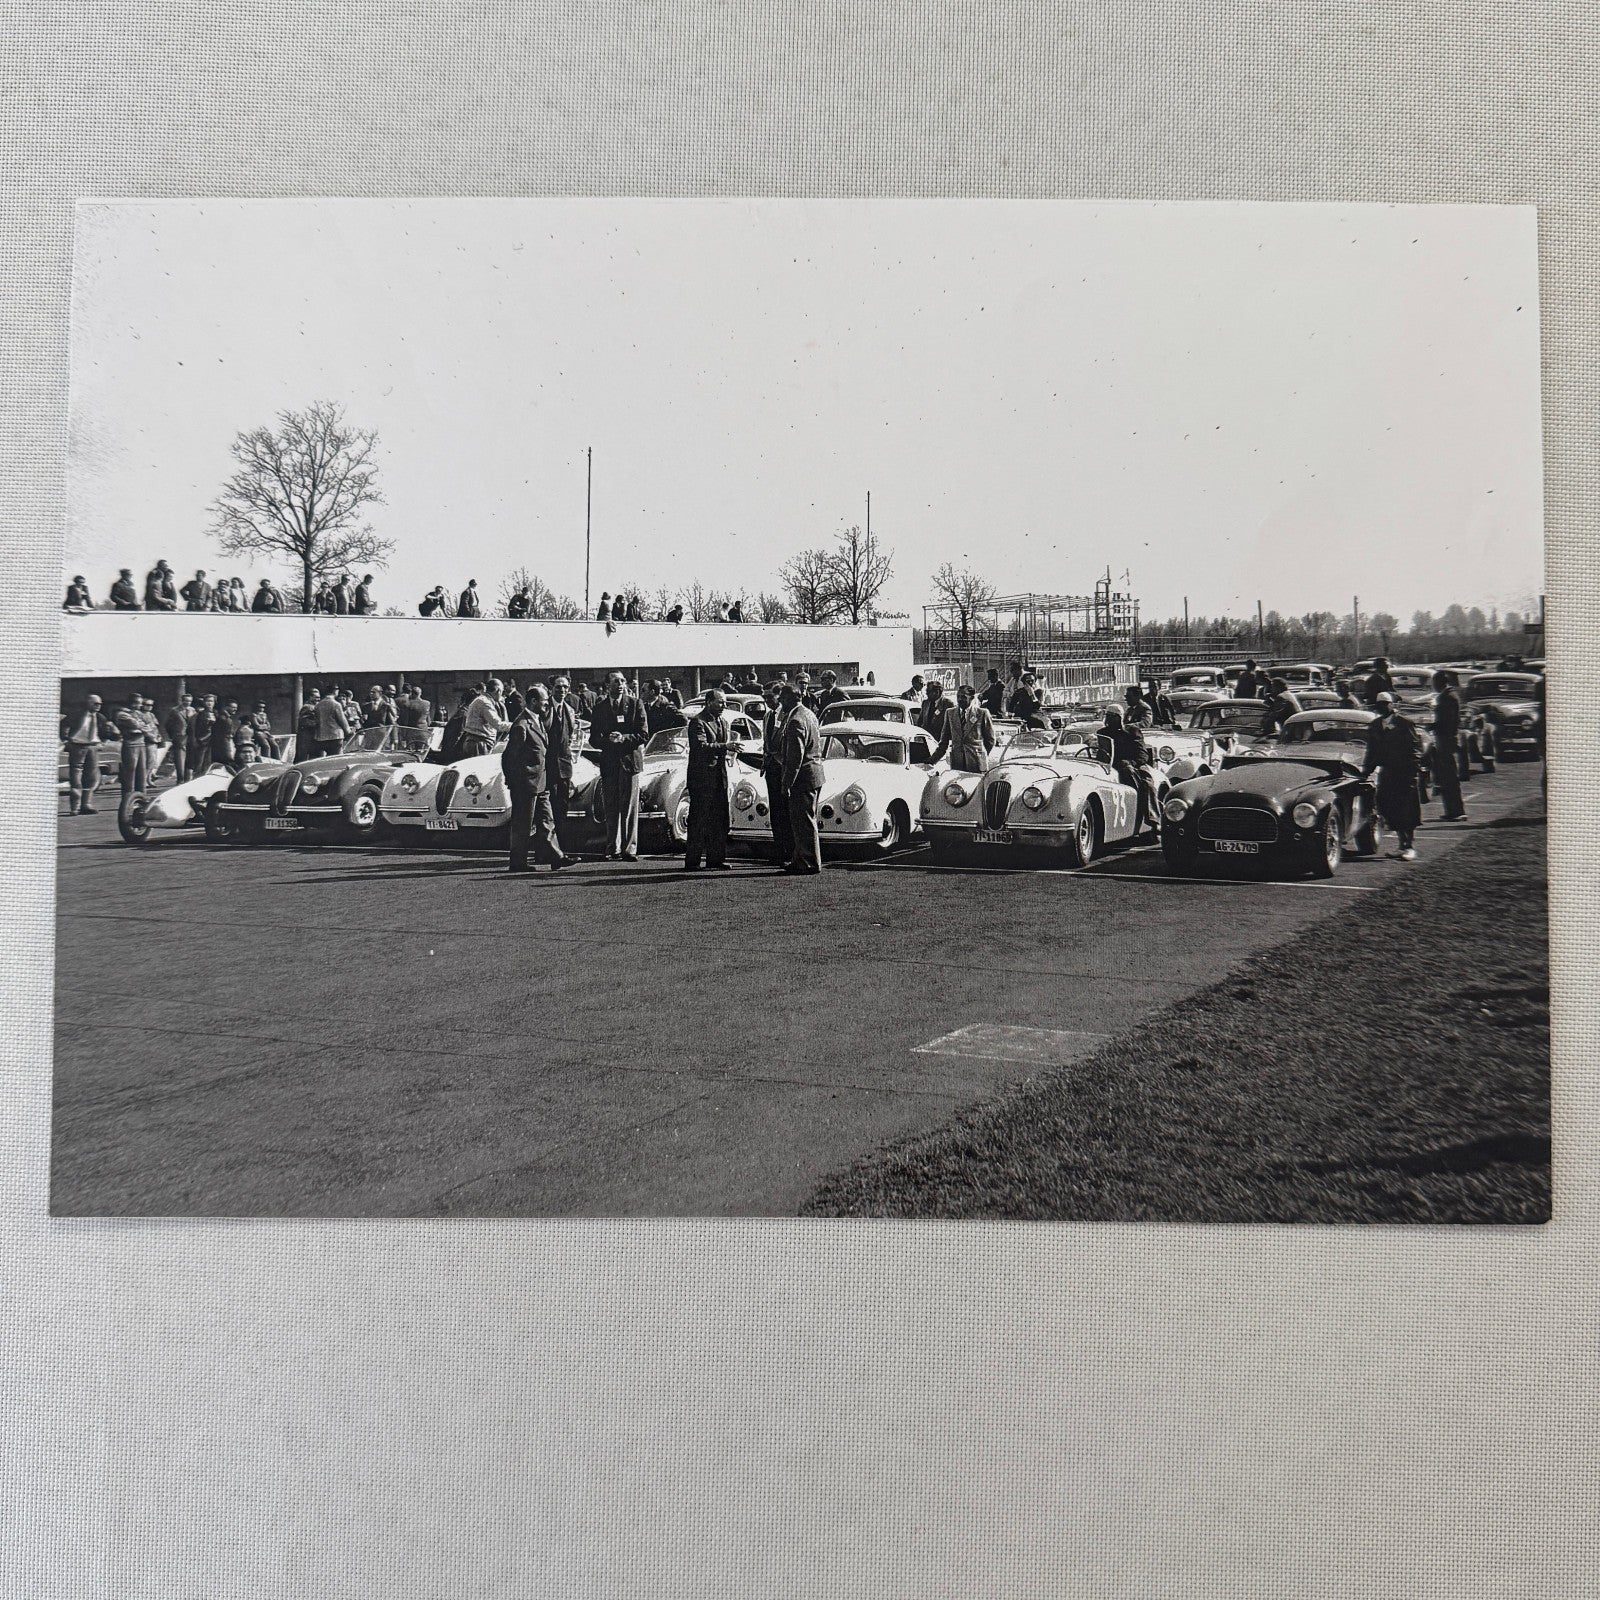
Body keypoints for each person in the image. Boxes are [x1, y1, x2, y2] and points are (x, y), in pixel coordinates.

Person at [501, 685, 569, 873]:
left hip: (541, 782)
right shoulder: (521, 725)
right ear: (533, 702)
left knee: (547, 820)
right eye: (544, 701)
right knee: (523, 824)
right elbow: (509, 757)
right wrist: (514, 782)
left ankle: (557, 857)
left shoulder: (537, 720)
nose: (547, 704)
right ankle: (517, 863)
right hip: (526, 784)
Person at [588, 670, 648, 860]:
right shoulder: (600, 708)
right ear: (607, 685)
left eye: (622, 681)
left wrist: (624, 738)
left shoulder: (636, 704)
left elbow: (643, 734)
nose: (621, 684)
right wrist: (607, 740)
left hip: (630, 762)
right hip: (609, 763)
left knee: (629, 806)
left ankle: (629, 849)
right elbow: (593, 739)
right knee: (611, 806)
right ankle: (612, 847)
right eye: (616, 681)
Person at [1362, 692, 1423, 859]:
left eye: (1384, 704)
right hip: (1387, 773)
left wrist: (1413, 772)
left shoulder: (1405, 723)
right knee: (1388, 807)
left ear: (1391, 705)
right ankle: (1401, 844)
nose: (1381, 708)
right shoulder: (1375, 725)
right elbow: (1372, 751)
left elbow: (1416, 749)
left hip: (1405, 773)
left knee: (1406, 809)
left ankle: (1409, 846)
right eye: (1378, 705)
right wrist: (1365, 771)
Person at [683, 689, 735, 870]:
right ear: (708, 702)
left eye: (725, 702)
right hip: (702, 780)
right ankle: (693, 861)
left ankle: (716, 859)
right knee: (699, 821)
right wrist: (725, 746)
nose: (724, 706)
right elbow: (701, 747)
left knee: (719, 820)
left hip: (719, 777)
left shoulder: (722, 722)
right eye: (720, 702)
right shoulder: (698, 722)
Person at [779, 682, 825, 874]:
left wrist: (786, 783)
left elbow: (795, 757)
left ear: (789, 699)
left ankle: (808, 862)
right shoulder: (809, 714)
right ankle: (802, 859)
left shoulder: (795, 720)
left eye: (782, 698)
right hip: (813, 775)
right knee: (805, 820)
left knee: (803, 821)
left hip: (803, 777)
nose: (780, 702)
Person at [1099, 707, 1157, 837]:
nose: (1108, 719)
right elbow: (1101, 752)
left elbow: (1143, 755)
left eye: (1111, 716)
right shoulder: (1102, 733)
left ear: (1118, 717)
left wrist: (1130, 762)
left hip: (1133, 765)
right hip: (1109, 766)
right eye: (1107, 715)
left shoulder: (1132, 731)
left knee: (1146, 783)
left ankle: (1152, 819)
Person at [542, 676, 583, 855]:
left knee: (562, 807)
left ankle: (561, 849)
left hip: (565, 766)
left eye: (565, 687)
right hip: (547, 766)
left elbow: (570, 735)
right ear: (551, 688)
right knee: (547, 810)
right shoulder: (545, 708)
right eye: (558, 687)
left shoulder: (569, 710)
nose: (562, 690)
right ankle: (546, 850)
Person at [759, 680, 795, 867]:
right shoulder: (767, 716)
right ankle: (779, 850)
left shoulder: (788, 715)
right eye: (764, 697)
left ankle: (790, 851)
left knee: (786, 812)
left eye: (769, 696)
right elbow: (766, 743)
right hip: (771, 769)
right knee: (775, 812)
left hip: (784, 768)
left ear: (779, 696)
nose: (766, 700)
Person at [61, 695, 113, 813]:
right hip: (77, 747)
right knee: (76, 777)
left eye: (100, 704)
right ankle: (75, 807)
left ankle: (86, 805)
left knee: (91, 776)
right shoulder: (76, 714)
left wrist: (103, 743)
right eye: (95, 704)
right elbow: (64, 726)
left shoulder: (100, 717)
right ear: (88, 703)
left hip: (92, 747)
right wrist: (66, 740)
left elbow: (107, 731)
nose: (98, 706)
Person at [1429, 670, 1467, 821]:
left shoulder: (1447, 697)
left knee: (1448, 776)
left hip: (1446, 739)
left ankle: (1455, 811)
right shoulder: (1449, 695)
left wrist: (1432, 726)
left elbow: (1447, 722)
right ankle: (1452, 810)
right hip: (1446, 739)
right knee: (1447, 776)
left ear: (1440, 682)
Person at [931, 684, 996, 772]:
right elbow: (944, 741)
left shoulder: (982, 713)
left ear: (971, 698)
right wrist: (932, 760)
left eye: (963, 697)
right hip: (957, 763)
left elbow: (990, 740)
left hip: (976, 763)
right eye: (958, 697)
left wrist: (981, 755)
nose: (960, 699)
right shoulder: (950, 713)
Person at [113, 696, 150, 799]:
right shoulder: (122, 714)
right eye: (138, 703)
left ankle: (142, 798)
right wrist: (141, 726)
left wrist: (142, 727)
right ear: (132, 703)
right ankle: (128, 799)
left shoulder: (138, 713)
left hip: (141, 743)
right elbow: (135, 724)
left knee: (141, 773)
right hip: (130, 745)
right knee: (130, 774)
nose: (141, 705)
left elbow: (148, 725)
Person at [163, 695, 194, 783]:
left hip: (190, 738)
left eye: (190, 701)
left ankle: (188, 780)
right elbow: (168, 725)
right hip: (179, 738)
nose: (188, 703)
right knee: (180, 760)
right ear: (181, 700)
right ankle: (180, 780)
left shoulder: (192, 710)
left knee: (189, 759)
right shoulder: (175, 710)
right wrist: (173, 736)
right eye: (186, 701)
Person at [313, 685, 350, 756]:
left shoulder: (318, 705)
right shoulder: (336, 704)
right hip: (335, 737)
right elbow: (342, 720)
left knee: (324, 759)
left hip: (321, 737)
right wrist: (349, 732)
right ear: (335, 691)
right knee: (336, 758)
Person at [188, 694, 216, 774]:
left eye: (211, 701)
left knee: (209, 764)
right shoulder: (200, 714)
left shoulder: (216, 713)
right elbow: (195, 728)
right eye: (207, 701)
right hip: (202, 741)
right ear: (204, 702)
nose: (209, 703)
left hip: (213, 742)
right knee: (199, 763)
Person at [210, 700, 240, 771]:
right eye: (233, 707)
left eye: (236, 708)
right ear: (226, 707)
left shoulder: (226, 718)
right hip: (223, 745)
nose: (235, 709)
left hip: (224, 743)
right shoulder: (223, 718)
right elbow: (223, 735)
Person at [294, 690, 321, 762]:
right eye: (316, 697)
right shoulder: (307, 707)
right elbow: (304, 722)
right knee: (302, 758)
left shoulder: (315, 706)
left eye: (319, 697)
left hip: (312, 736)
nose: (318, 699)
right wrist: (318, 723)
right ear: (310, 697)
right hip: (305, 737)